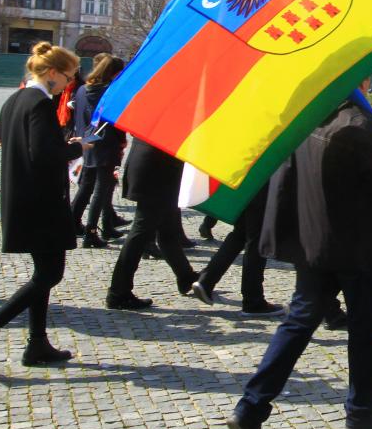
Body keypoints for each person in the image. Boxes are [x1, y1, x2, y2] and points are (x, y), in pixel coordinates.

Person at [228, 83, 372, 429]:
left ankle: (250, 407)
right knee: (364, 331)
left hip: (315, 241)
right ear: (360, 82)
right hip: (357, 246)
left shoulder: (309, 118)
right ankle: (363, 413)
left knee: (297, 323)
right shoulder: (361, 124)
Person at [0, 42, 84, 369]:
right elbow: (43, 154)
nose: (68, 85)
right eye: (68, 78)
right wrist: (77, 149)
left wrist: (60, 143)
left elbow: (30, 145)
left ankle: (37, 343)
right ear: (52, 73)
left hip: (22, 198)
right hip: (41, 201)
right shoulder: (40, 103)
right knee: (49, 273)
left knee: (42, 272)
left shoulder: (16, 99)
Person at [105, 138, 199, 310]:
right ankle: (118, 292)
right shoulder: (174, 112)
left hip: (156, 169)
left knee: (168, 229)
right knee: (141, 231)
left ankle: (186, 276)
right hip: (156, 172)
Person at [190, 183, 281, 316]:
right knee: (256, 239)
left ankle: (206, 280)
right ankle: (253, 301)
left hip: (247, 183)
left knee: (240, 234)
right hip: (261, 182)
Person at [71, 53, 128, 248]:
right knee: (101, 190)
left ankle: (72, 222)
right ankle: (91, 232)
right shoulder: (110, 92)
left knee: (86, 186)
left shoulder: (81, 89)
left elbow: (77, 117)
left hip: (87, 142)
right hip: (105, 144)